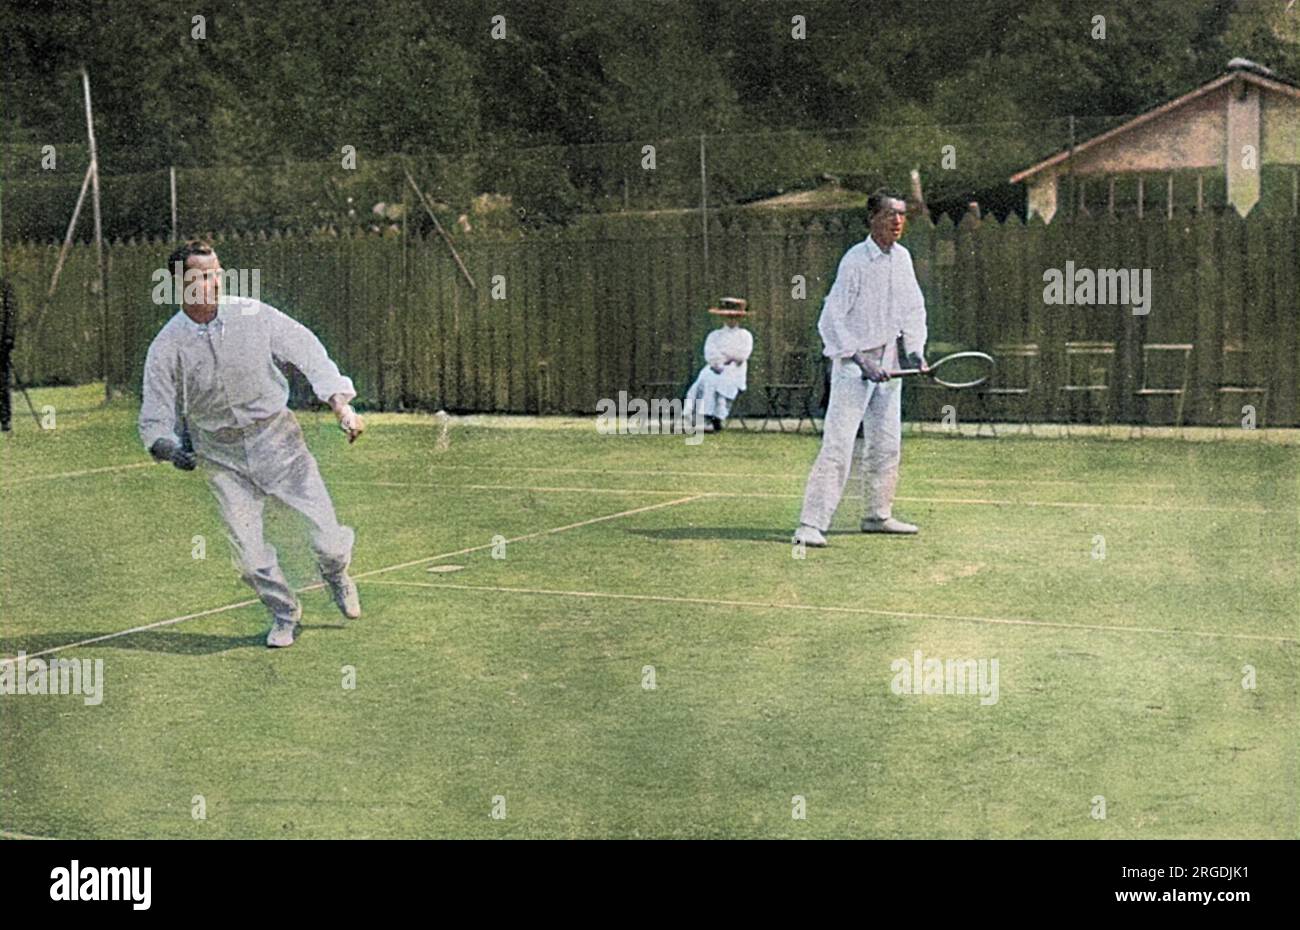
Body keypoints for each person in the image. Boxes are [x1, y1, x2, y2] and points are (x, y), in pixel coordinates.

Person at [139, 240, 366, 647]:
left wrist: (341, 406)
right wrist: (172, 450)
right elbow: (155, 416)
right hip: (220, 455)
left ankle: (336, 574)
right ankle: (284, 613)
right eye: (200, 276)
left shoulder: (253, 315)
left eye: (216, 273)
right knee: (248, 557)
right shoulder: (167, 345)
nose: (212, 282)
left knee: (329, 543)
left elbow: (307, 350)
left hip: (279, 441)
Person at [792, 190, 928, 547]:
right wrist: (859, 357)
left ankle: (877, 515)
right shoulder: (855, 260)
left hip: (889, 362)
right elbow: (831, 318)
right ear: (872, 219)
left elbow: (914, 309)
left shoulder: (903, 259)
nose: (897, 221)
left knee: (886, 445)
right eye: (889, 215)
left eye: (901, 215)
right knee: (838, 445)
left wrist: (914, 351)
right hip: (853, 365)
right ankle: (810, 524)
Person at [683, 297, 753, 431]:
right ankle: (704, 417)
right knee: (706, 379)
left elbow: (741, 355)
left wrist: (726, 355)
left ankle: (716, 417)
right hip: (715, 368)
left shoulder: (745, 335)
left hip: (734, 370)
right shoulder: (715, 335)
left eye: (735, 317)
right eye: (728, 317)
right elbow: (710, 353)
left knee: (716, 381)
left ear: (740, 319)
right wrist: (720, 360)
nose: (731, 320)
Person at [0, 277, 15, 433]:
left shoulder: (5, 287)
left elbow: (10, 316)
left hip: (1, 346)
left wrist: (8, 339)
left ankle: (5, 420)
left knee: (2, 384)